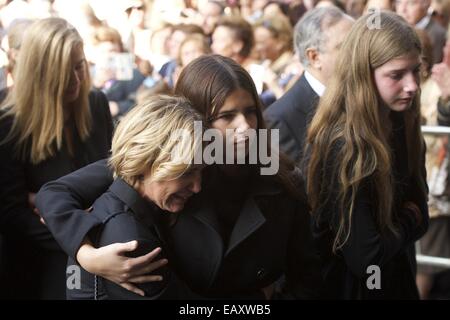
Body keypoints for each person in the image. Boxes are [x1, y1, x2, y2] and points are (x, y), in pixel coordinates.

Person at [36, 54, 322, 299]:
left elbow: (309, 273)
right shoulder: (159, 170)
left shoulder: (279, 176)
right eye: (226, 117)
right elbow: (55, 194)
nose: (245, 127)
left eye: (251, 112)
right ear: (190, 122)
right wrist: (88, 256)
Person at [305, 12, 429, 299]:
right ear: (363, 73)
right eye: (396, 75)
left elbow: (423, 214)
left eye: (416, 71)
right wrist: (407, 219)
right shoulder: (342, 143)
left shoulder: (401, 121)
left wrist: (402, 224)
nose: (411, 85)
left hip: (397, 281)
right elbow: (366, 256)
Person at [0, 17, 113, 299]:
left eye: (79, 66)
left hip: (103, 244)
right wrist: (79, 243)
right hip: (39, 261)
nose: (76, 80)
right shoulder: (9, 122)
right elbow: (11, 214)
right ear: (40, 72)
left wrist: (54, 210)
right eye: (64, 71)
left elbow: (113, 174)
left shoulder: (96, 103)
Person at [64, 95, 205, 299]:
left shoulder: (117, 204)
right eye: (186, 172)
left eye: (201, 171)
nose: (197, 187)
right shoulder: (129, 242)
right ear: (144, 161)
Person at [264, 7, 353, 164]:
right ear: (314, 57)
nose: (358, 52)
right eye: (346, 47)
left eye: (358, 43)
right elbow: (297, 184)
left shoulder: (367, 90)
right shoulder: (281, 118)